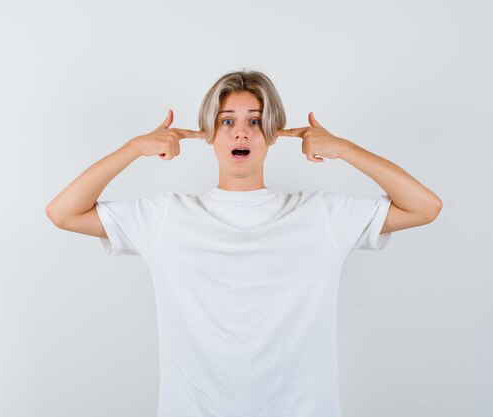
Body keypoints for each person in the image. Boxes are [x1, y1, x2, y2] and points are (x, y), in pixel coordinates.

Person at [45, 69, 442, 417]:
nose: (241, 131)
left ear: (273, 134)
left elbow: (425, 207)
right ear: (208, 134)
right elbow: (63, 213)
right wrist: (133, 148)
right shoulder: (168, 217)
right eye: (226, 121)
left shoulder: (319, 215)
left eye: (255, 121)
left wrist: (345, 149)